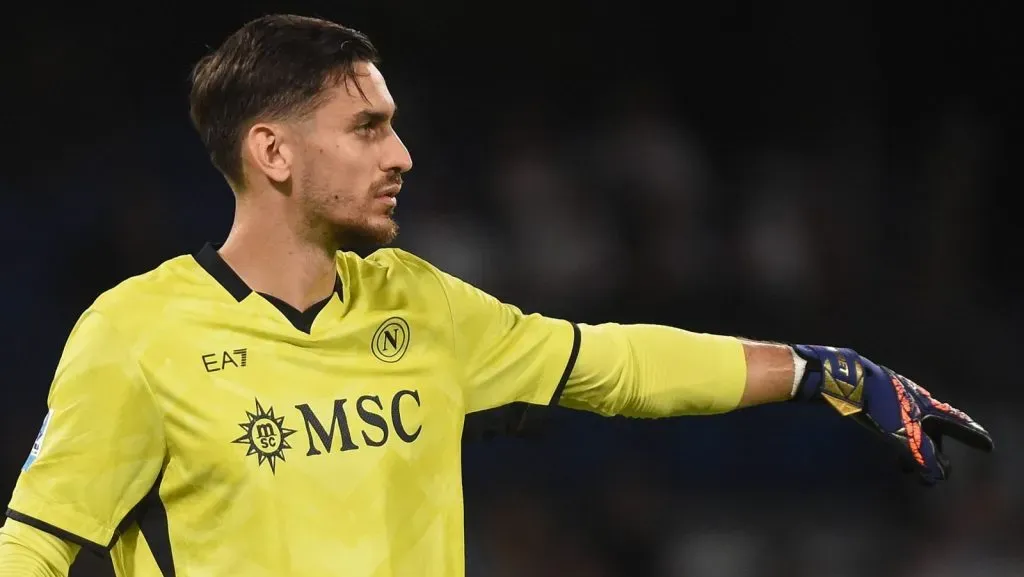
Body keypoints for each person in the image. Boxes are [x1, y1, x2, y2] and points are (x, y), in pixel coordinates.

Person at [0, 13, 993, 577]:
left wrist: (821, 371)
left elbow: (611, 363)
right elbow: (35, 548)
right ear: (272, 151)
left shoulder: (419, 305)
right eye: (366, 128)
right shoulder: (138, 333)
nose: (403, 154)